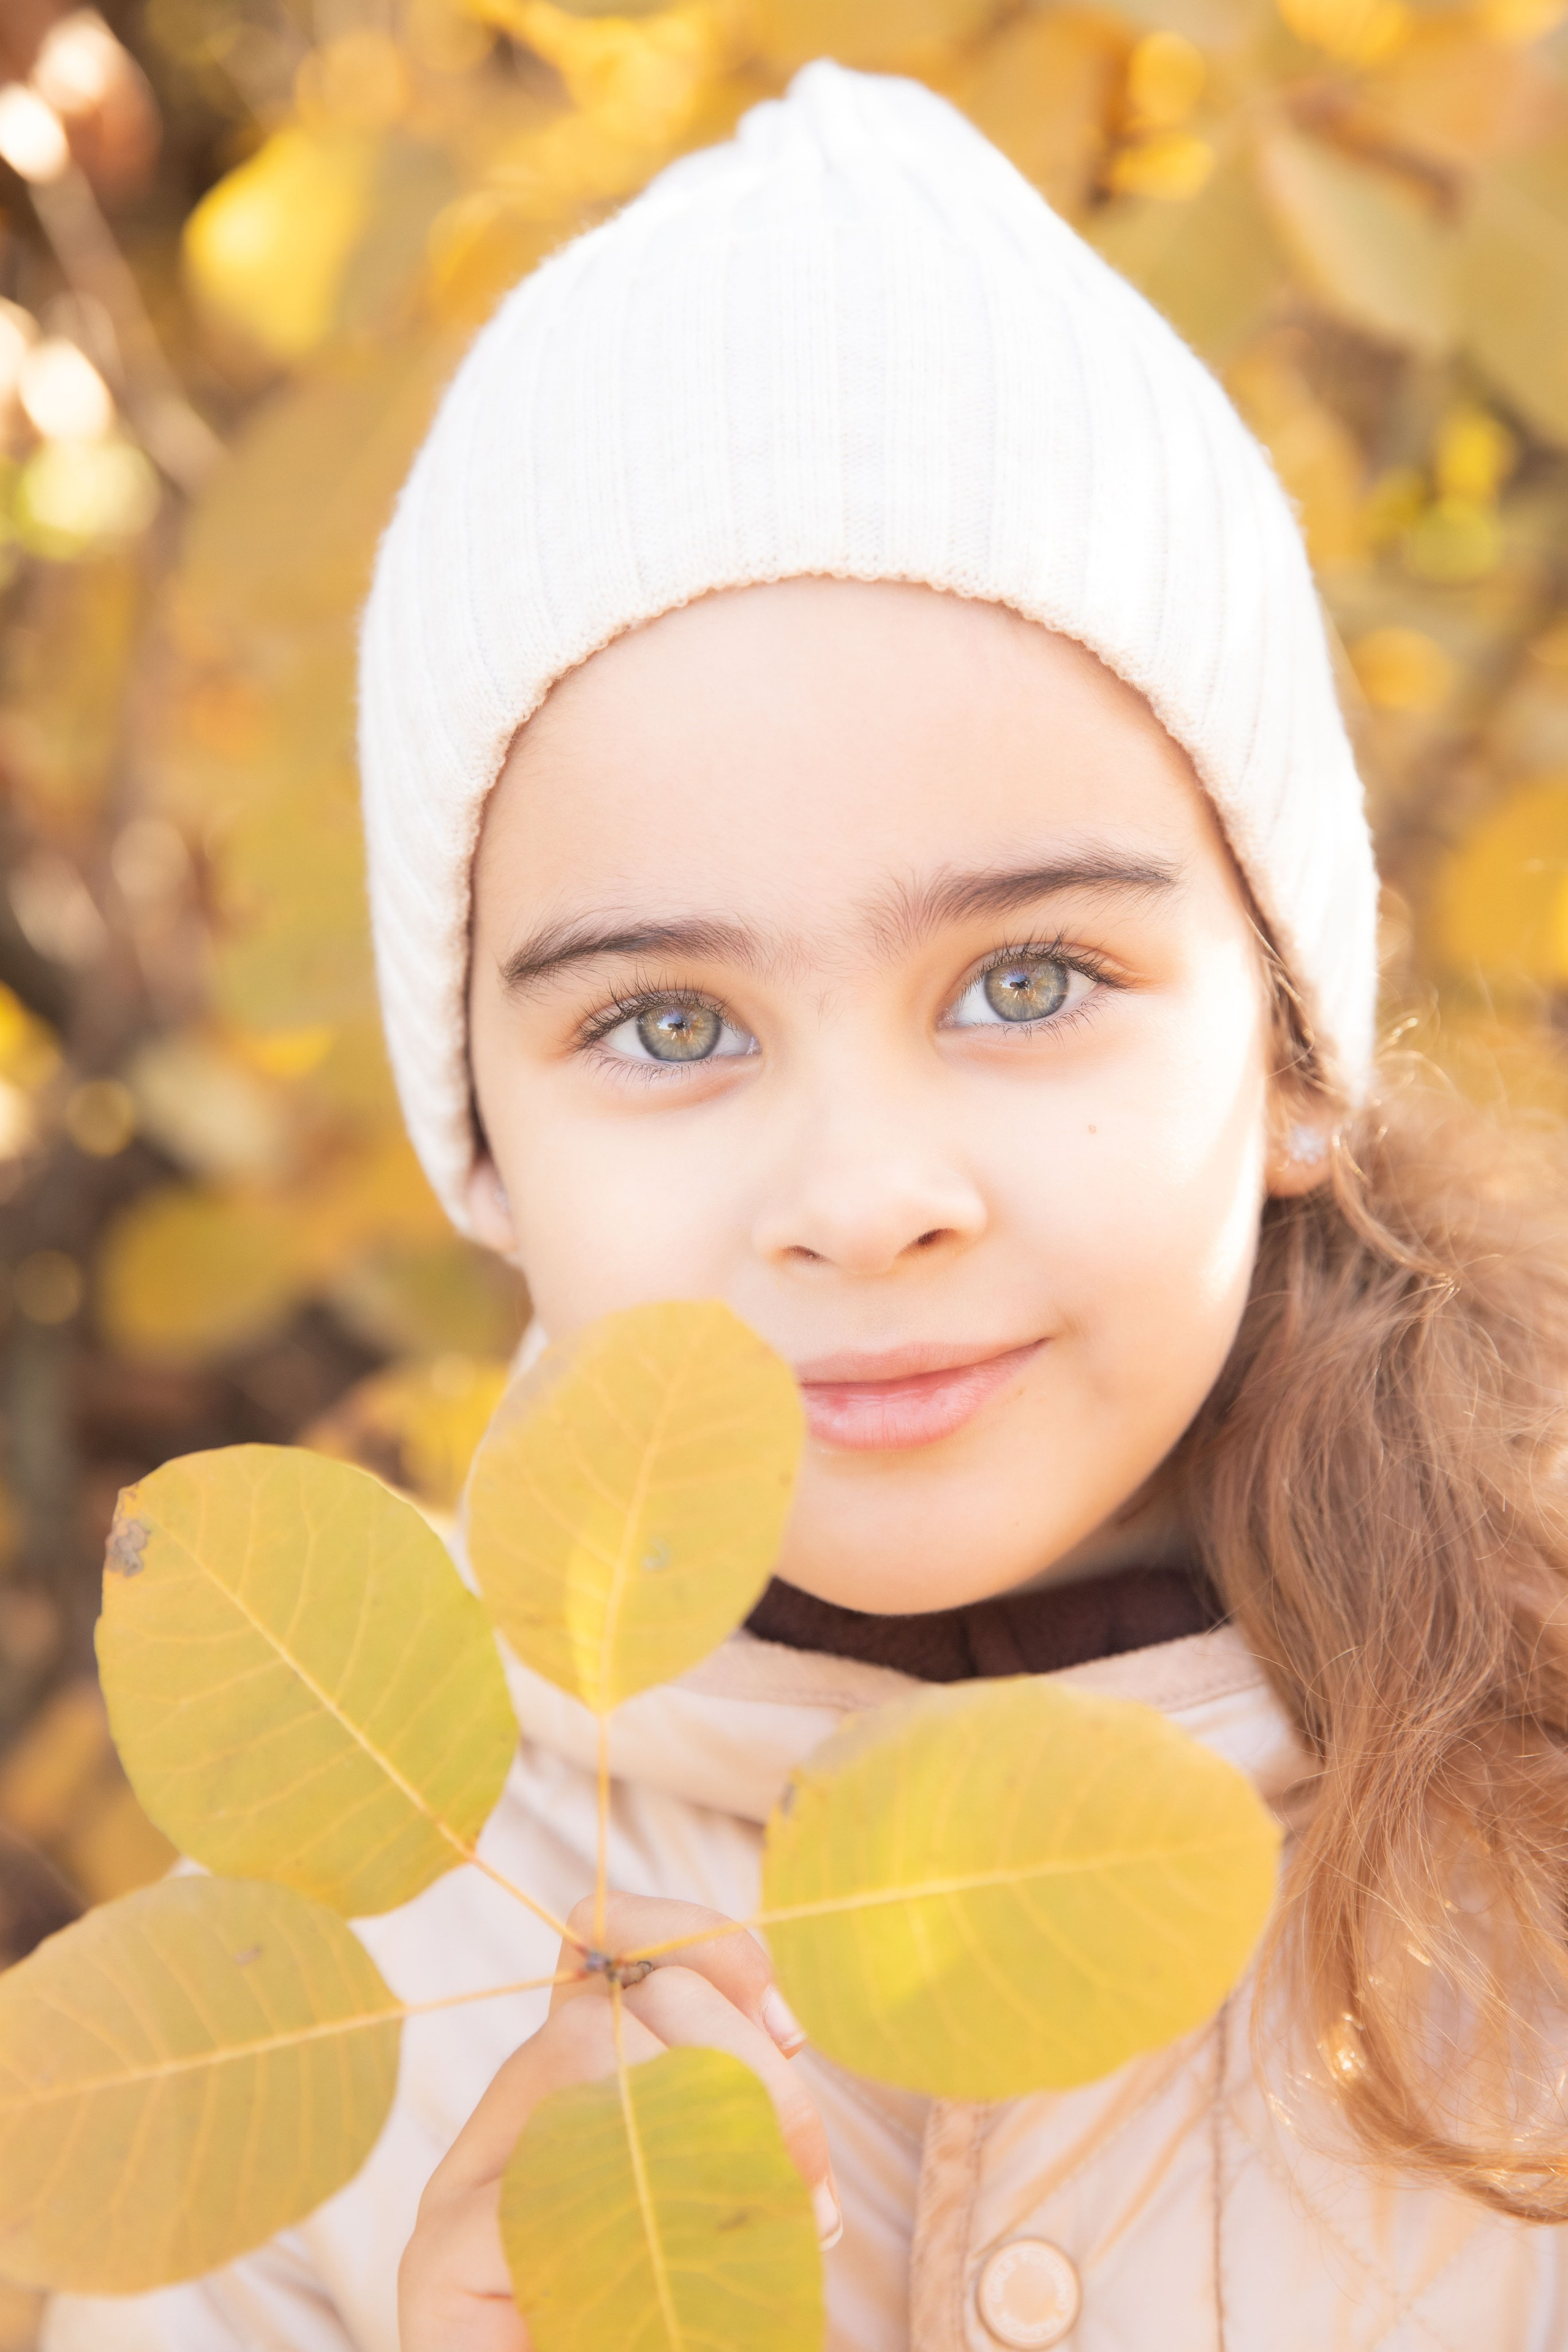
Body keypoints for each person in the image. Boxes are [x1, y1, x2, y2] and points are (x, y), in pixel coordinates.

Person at [45, 59, 1568, 2352]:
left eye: (1029, 979)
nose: (863, 1200)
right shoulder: (364, 1952)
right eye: (668, 1024)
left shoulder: (1524, 1831)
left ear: (1282, 1048)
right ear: (488, 1143)